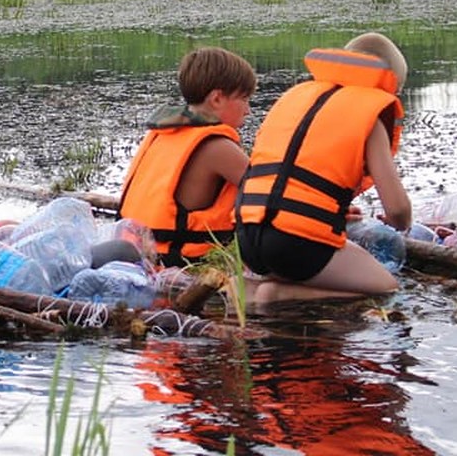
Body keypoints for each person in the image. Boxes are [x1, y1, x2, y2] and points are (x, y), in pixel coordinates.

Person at [235, 33, 412, 302]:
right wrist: (402, 222)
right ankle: (280, 293)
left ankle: (253, 284)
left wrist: (330, 213)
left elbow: (285, 179)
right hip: (294, 242)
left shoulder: (296, 96)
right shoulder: (369, 116)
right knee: (386, 286)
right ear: (390, 84)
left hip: (247, 235)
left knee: (289, 261)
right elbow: (397, 211)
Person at [117, 47, 257, 268]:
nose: (248, 110)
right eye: (245, 99)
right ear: (217, 99)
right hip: (179, 263)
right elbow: (269, 192)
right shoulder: (217, 147)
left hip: (137, 254)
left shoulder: (163, 134)